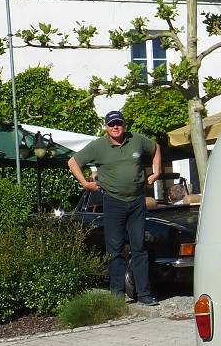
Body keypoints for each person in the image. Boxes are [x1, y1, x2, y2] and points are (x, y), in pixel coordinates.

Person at [68, 110, 162, 305]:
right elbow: (73, 162)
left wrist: (156, 172)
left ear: (124, 125)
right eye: (111, 124)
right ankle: (117, 295)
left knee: (139, 247)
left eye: (118, 123)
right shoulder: (98, 146)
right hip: (113, 201)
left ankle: (143, 294)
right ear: (106, 127)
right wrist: (86, 184)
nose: (115, 127)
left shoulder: (136, 140)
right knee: (115, 248)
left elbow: (156, 148)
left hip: (137, 201)